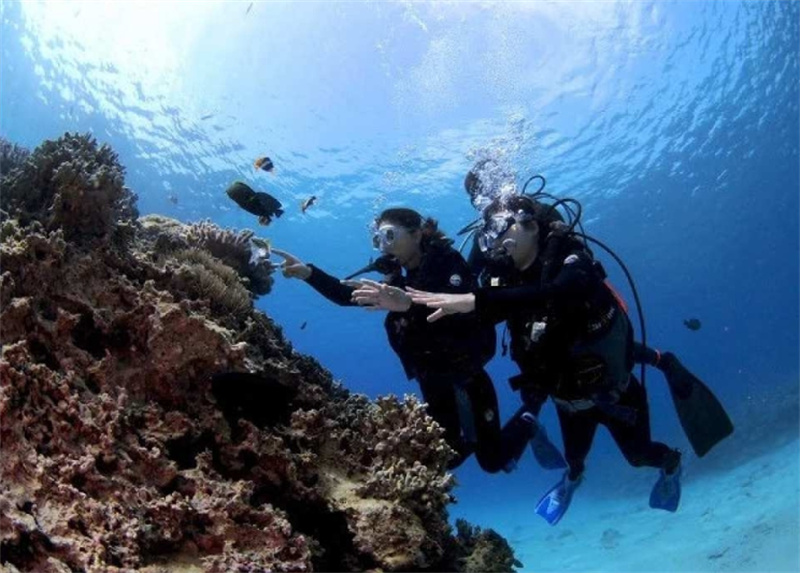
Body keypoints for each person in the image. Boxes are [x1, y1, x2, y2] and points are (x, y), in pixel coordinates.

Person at [409, 193, 732, 524]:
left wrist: (476, 301)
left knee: (638, 455)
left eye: (499, 231)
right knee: (575, 460)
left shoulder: (570, 256)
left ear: (531, 225)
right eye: (487, 236)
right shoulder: (503, 277)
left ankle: (671, 463)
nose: (494, 244)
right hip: (566, 400)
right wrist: (407, 304)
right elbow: (473, 316)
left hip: (615, 390)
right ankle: (571, 480)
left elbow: (565, 291)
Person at [271, 207, 565, 473]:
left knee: (492, 462)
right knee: (442, 458)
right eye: (378, 239)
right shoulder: (397, 279)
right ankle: (472, 436)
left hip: (467, 376)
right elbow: (346, 295)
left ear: (416, 234)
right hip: (432, 380)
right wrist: (308, 273)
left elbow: (470, 317)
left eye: (389, 235)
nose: (384, 246)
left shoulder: (447, 263)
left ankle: (530, 412)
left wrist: (409, 305)